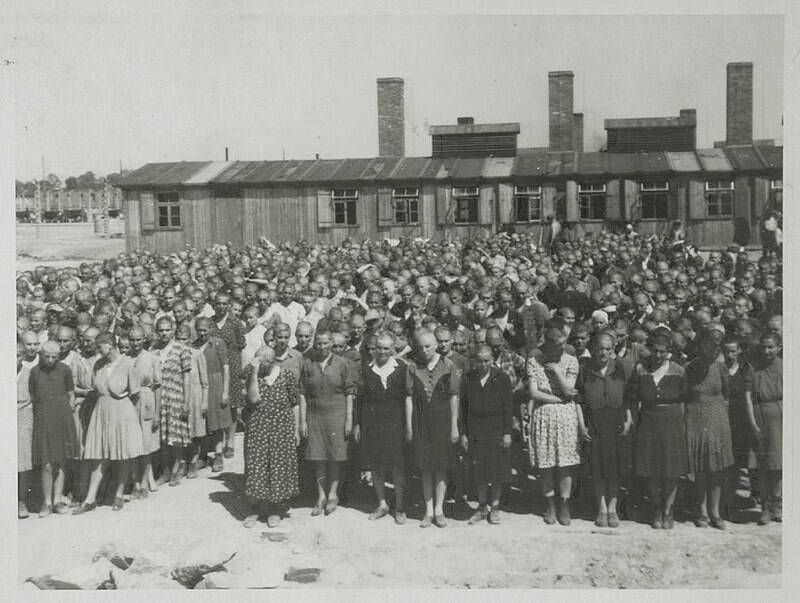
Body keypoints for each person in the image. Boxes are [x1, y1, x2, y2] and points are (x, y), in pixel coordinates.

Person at [73, 333, 144, 513]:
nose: (98, 349)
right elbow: (95, 388)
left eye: (100, 345)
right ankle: (90, 499)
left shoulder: (128, 364)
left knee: (122, 454)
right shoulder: (99, 365)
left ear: (110, 344)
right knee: (99, 456)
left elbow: (135, 393)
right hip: (101, 413)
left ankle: (119, 494)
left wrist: (128, 419)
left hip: (122, 413)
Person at [629, 332, 688, 529]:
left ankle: (668, 510)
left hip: (672, 423)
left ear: (669, 352)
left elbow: (685, 399)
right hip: (648, 422)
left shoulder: (678, 370)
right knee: (652, 469)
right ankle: (656, 508)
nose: (658, 355)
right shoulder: (640, 369)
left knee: (671, 470)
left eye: (662, 352)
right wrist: (632, 420)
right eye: (655, 351)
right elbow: (633, 397)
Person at [526, 326, 583, 526]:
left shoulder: (571, 361)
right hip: (544, 414)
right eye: (556, 344)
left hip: (566, 417)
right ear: (547, 343)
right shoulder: (534, 360)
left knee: (565, 464)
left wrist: (558, 371)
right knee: (547, 463)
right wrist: (556, 399)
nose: (560, 348)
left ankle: (565, 503)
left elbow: (570, 391)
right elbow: (534, 392)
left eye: (562, 343)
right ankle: (549, 504)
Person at [576, 332, 633, 528]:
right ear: (594, 348)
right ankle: (601, 508)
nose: (603, 352)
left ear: (613, 349)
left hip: (616, 422)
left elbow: (628, 398)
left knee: (615, 468)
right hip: (594, 421)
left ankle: (612, 508)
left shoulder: (621, 368)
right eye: (600, 348)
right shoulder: (585, 369)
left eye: (608, 349)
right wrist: (582, 425)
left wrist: (628, 420)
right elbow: (579, 400)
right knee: (598, 468)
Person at [354, 331, 411, 524]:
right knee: (377, 465)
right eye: (379, 348)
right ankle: (382, 504)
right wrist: (358, 424)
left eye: (386, 348)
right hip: (373, 423)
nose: (382, 352)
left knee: (397, 466)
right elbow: (360, 400)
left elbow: (407, 398)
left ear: (393, 349)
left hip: (396, 423)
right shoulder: (367, 369)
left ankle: (400, 506)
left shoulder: (402, 368)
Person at [299, 330, 356, 516]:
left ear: (331, 343)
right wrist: (303, 421)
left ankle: (333, 495)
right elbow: (302, 393)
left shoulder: (342, 364)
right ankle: (321, 496)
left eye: (325, 343)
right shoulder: (308, 363)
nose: (322, 347)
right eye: (319, 343)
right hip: (315, 415)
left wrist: (349, 419)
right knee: (318, 456)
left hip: (337, 414)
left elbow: (350, 393)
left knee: (335, 456)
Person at [407, 330, 460, 528]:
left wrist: (454, 426)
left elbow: (454, 396)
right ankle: (428, 511)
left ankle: (439, 510)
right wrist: (410, 426)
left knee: (441, 466)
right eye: (420, 347)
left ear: (436, 345)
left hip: (442, 421)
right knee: (426, 467)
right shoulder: (413, 366)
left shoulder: (448, 366)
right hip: (421, 422)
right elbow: (409, 397)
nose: (424, 350)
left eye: (428, 346)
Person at [243, 346, 300, 528]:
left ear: (273, 360)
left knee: (277, 466)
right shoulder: (253, 376)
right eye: (258, 359)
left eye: (265, 360)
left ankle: (275, 509)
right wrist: (254, 372)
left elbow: (295, 403)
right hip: (258, 426)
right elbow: (253, 399)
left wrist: (296, 430)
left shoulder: (286, 375)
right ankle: (257, 508)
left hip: (281, 428)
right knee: (257, 466)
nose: (262, 363)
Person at [684, 336, 733, 529]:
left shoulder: (720, 367)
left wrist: (721, 418)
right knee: (700, 469)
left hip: (717, 420)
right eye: (706, 349)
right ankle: (701, 511)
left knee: (717, 469)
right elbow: (684, 394)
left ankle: (715, 512)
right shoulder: (690, 368)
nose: (710, 353)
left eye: (714, 349)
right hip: (695, 419)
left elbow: (726, 394)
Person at [460, 345, 513, 525]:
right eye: (479, 361)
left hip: (496, 429)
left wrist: (507, 433)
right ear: (474, 361)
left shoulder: (502, 378)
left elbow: (508, 407)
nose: (482, 364)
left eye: (486, 361)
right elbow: (463, 408)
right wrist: (464, 434)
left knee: (496, 471)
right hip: (475, 430)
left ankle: (495, 507)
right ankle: (482, 507)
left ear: (492, 360)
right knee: (480, 471)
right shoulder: (468, 378)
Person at [30, 340, 79, 517]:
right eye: (47, 357)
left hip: (62, 418)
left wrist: (70, 408)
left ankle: (57, 500)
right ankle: (47, 502)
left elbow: (70, 392)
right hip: (44, 418)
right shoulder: (35, 372)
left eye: (54, 357)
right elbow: (33, 396)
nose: (50, 360)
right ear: (40, 355)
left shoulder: (65, 369)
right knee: (47, 463)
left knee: (61, 460)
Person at [745, 332, 782, 524]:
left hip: (780, 415)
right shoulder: (753, 367)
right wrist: (753, 423)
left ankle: (778, 504)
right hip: (759, 414)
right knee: (763, 465)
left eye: (771, 347)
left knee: (778, 464)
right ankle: (765, 507)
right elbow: (748, 398)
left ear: (779, 347)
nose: (767, 351)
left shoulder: (785, 366)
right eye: (764, 347)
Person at [153, 317, 193, 486]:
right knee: (162, 437)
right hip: (159, 398)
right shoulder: (153, 350)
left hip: (176, 396)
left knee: (175, 436)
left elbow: (187, 377)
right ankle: (166, 470)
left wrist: (186, 402)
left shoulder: (181, 349)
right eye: (161, 330)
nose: (164, 333)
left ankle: (177, 468)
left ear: (173, 329)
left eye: (167, 330)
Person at [208, 292, 246, 461]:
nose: (221, 307)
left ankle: (230, 442)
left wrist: (239, 371)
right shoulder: (209, 322)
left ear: (229, 305)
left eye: (225, 304)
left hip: (233, 366)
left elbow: (241, 346)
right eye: (218, 303)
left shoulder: (236, 323)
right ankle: (218, 441)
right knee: (217, 404)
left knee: (232, 406)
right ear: (214, 304)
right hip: (215, 368)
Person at [129, 326, 162, 495]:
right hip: (128, 403)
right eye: (132, 340)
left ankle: (144, 482)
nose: (135, 343)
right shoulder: (124, 358)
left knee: (146, 442)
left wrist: (157, 413)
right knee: (132, 443)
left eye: (138, 340)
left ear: (144, 340)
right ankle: (135, 481)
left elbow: (157, 387)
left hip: (146, 400)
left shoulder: (152, 359)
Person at [195, 317, 231, 472]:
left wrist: (225, 391)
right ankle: (202, 455)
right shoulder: (194, 346)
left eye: (205, 330)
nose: (202, 333)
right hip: (200, 385)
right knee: (202, 421)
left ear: (210, 329)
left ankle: (218, 454)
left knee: (217, 422)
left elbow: (226, 368)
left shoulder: (218, 343)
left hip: (216, 383)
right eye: (199, 330)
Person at [17, 351, 34, 518]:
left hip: (23, 416)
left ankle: (21, 501)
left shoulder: (29, 374)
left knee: (22, 461)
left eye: (17, 355)